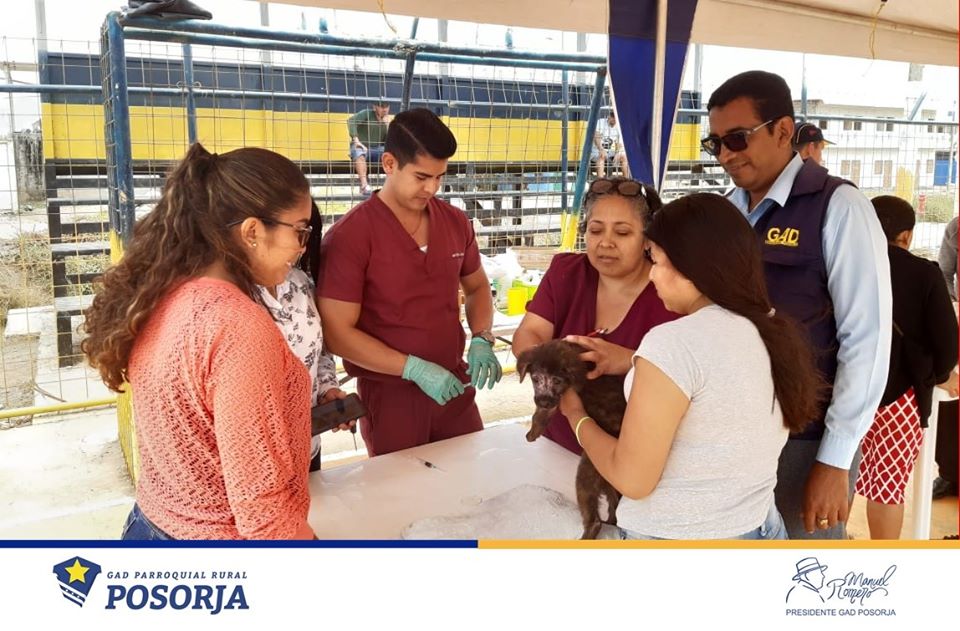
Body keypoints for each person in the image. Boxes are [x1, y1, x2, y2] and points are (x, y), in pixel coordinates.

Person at [82, 143, 316, 539]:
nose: (302, 246)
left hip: (149, 525)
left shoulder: (162, 294)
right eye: (300, 230)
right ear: (252, 231)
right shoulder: (238, 327)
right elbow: (263, 514)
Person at [559, 193, 824, 540]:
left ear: (691, 266)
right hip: (760, 527)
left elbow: (633, 479)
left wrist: (575, 415)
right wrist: (630, 360)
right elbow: (713, 386)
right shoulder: (768, 328)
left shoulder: (672, 343)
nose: (652, 275)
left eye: (656, 261)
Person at [704, 70, 892, 539]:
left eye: (737, 138)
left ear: (783, 131)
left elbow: (866, 341)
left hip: (804, 442)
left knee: (804, 573)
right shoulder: (725, 212)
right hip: (728, 439)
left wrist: (835, 459)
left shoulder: (839, 207)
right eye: (715, 144)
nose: (726, 155)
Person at [318, 108, 502, 457]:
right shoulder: (350, 237)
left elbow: (477, 287)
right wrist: (412, 368)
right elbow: (337, 333)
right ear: (389, 163)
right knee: (403, 487)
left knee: (470, 475)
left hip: (453, 385)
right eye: (421, 177)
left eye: (440, 177)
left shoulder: (455, 222)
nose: (431, 188)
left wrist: (482, 336)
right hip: (391, 394)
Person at [511, 177, 677, 454]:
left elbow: (687, 380)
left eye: (622, 233)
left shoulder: (671, 294)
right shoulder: (567, 273)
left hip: (629, 458)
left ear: (648, 239)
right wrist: (549, 368)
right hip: (558, 446)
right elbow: (529, 333)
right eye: (596, 230)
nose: (606, 243)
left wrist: (629, 361)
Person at [854, 196, 958, 538]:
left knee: (841, 471)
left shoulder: (847, 265)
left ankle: (833, 542)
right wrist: (938, 375)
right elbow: (947, 346)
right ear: (907, 235)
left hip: (847, 389)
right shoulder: (924, 273)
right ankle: (885, 562)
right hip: (901, 397)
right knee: (887, 486)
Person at [257, 199, 353, 473]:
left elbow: (318, 351)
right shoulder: (230, 296)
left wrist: (326, 390)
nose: (302, 246)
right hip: (258, 462)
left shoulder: (300, 283)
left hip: (306, 448)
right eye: (299, 232)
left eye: (307, 234)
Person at [934, 214, 959, 501]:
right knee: (951, 401)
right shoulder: (956, 227)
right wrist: (953, 306)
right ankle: (950, 473)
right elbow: (943, 273)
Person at [348, 100, 391, 197]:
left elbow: (388, 142)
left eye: (386, 106)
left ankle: (391, 186)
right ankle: (364, 186)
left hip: (377, 149)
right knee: (358, 152)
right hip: (362, 147)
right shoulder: (367, 113)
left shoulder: (387, 121)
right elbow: (351, 121)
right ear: (375, 107)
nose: (384, 109)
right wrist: (356, 140)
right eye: (381, 106)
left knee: (393, 154)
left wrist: (388, 126)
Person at [592, 111, 630, 179]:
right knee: (601, 156)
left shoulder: (619, 125)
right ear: (609, 116)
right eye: (612, 117)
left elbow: (619, 142)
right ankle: (600, 180)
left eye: (615, 118)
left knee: (624, 157)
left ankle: (626, 180)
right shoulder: (600, 122)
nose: (614, 120)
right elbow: (596, 136)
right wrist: (601, 149)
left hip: (611, 151)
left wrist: (618, 152)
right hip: (597, 151)